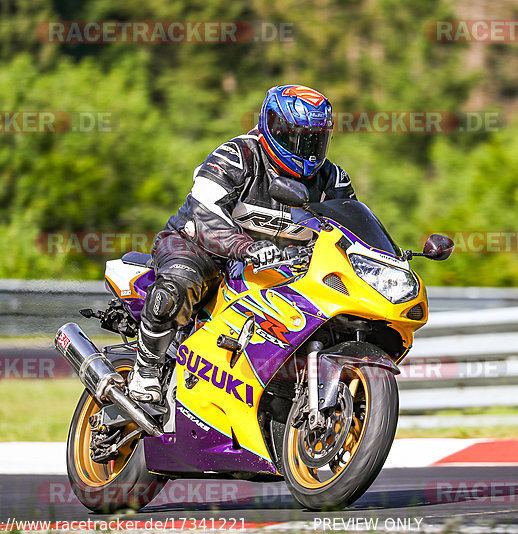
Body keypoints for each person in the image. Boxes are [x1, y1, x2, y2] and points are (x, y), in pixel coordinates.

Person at [129, 85, 356, 403]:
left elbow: (350, 231)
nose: (307, 149)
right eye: (297, 137)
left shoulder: (333, 181)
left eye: (316, 139)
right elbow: (204, 213)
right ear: (273, 125)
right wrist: (246, 247)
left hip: (277, 268)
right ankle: (147, 369)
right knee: (180, 281)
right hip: (199, 247)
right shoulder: (236, 156)